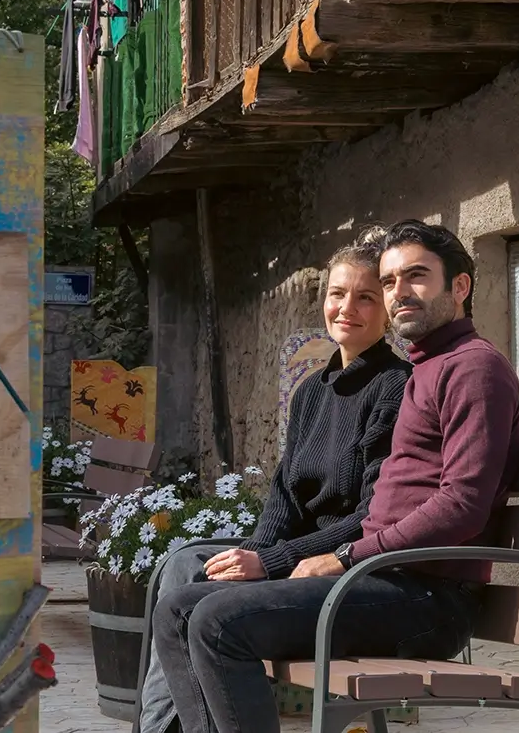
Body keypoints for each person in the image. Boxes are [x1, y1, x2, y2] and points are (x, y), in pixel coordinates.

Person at [152, 219, 519, 733]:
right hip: (384, 579)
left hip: (427, 597)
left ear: (459, 286)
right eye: (390, 280)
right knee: (178, 610)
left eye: (416, 276)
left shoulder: (472, 368)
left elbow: (463, 506)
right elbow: (295, 495)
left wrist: (345, 556)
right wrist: (288, 557)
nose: (400, 292)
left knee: (217, 623)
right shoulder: (428, 367)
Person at [138, 233, 412, 733]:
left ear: (388, 313)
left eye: (366, 297)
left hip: (342, 567)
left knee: (189, 609)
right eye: (337, 293)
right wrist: (251, 557)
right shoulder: (311, 393)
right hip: (295, 560)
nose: (347, 308)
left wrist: (270, 562)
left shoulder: (395, 386)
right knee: (183, 564)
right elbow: (284, 497)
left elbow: (372, 515)